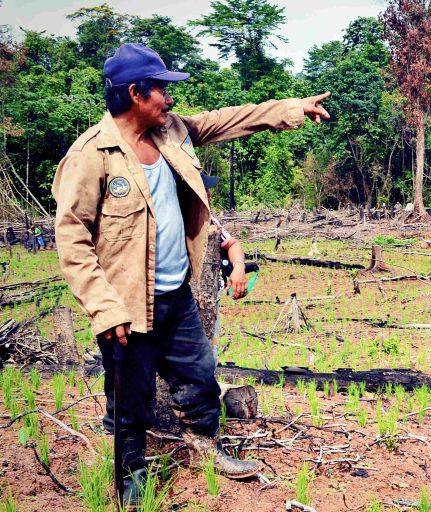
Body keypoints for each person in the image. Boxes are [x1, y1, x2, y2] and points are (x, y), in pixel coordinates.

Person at [52, 43, 330, 506]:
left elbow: (229, 120)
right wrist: (103, 308)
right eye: (161, 89)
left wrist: (291, 109)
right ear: (135, 94)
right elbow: (72, 239)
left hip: (175, 293)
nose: (170, 98)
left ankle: (204, 444)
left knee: (201, 375)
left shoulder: (172, 132)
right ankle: (130, 474)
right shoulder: (90, 155)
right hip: (124, 304)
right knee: (130, 396)